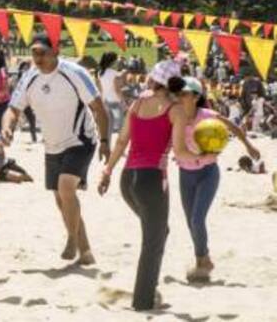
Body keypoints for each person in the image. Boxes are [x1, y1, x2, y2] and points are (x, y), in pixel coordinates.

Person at [99, 62, 200, 311]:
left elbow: (122, 141)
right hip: (151, 181)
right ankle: (143, 302)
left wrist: (107, 171)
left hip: (127, 179)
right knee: (153, 241)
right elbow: (181, 152)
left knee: (158, 233)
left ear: (153, 80)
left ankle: (148, 289)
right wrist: (205, 155)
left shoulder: (138, 102)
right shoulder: (174, 110)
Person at [3, 34, 110, 266]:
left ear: (56, 51)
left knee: (65, 188)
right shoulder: (29, 77)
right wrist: (8, 128)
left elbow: (99, 108)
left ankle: (72, 239)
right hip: (52, 145)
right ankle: (86, 250)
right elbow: (12, 109)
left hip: (81, 139)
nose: (37, 57)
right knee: (61, 199)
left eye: (42, 52)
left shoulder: (74, 73)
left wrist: (104, 141)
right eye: (34, 52)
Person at [174, 77, 262, 282]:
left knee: (197, 219)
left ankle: (201, 262)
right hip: (184, 173)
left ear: (196, 97)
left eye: (185, 93)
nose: (180, 97)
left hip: (207, 173)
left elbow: (233, 127)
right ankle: (204, 259)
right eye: (179, 93)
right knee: (190, 222)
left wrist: (248, 146)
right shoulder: (175, 115)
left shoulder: (207, 115)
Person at [99, 52, 127, 133]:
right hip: (115, 101)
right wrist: (123, 102)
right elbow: (117, 89)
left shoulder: (100, 73)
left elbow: (101, 89)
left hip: (105, 101)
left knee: (110, 127)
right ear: (113, 61)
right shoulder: (114, 73)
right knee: (119, 128)